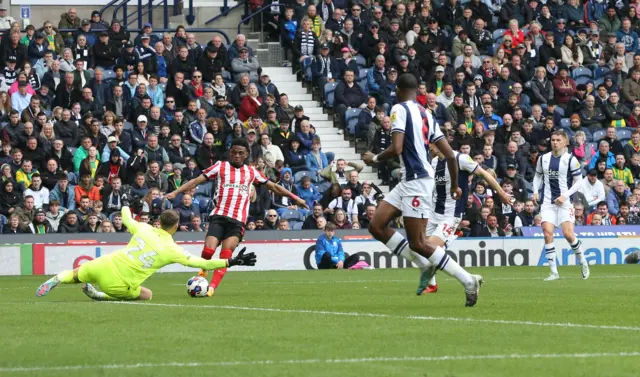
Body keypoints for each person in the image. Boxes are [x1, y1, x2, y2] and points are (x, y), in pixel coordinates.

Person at [362, 74, 482, 307]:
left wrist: (375, 158)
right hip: (410, 180)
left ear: (398, 90)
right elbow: (449, 155)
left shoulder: (398, 109)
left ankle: (467, 280)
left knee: (418, 243)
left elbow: (397, 147)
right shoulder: (427, 114)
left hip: (417, 181)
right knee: (376, 226)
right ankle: (424, 264)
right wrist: (456, 185)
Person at [165, 138, 309, 296]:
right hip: (219, 216)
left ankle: (211, 288)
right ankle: (203, 272)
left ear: (247, 154)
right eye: (234, 152)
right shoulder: (220, 166)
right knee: (208, 251)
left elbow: (273, 186)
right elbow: (195, 180)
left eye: (241, 153)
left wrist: (296, 198)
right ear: (230, 152)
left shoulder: (251, 172)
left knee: (225, 255)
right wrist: (175, 192)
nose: (237, 156)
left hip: (237, 221)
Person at [36, 200, 257, 301]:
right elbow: (204, 264)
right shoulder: (172, 250)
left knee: (75, 275)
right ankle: (101, 295)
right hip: (119, 283)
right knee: (147, 295)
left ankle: (55, 279)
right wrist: (230, 262)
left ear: (159, 221)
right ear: (176, 226)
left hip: (105, 263)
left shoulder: (143, 227)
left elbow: (124, 217)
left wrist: (126, 204)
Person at [417, 143, 514, 294]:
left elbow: (485, 174)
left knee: (431, 248)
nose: (429, 147)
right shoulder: (435, 162)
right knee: (422, 249)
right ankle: (432, 284)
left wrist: (501, 193)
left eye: (432, 143)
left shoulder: (460, 158)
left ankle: (464, 273)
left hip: (451, 214)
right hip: (434, 212)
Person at [533, 130, 590, 281]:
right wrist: (535, 191)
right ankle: (553, 272)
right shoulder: (543, 158)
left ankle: (583, 261)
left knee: (568, 235)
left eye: (558, 140)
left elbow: (579, 182)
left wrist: (565, 196)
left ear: (565, 142)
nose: (555, 142)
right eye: (553, 140)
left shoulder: (571, 160)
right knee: (547, 233)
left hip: (565, 203)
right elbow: (538, 176)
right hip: (547, 202)